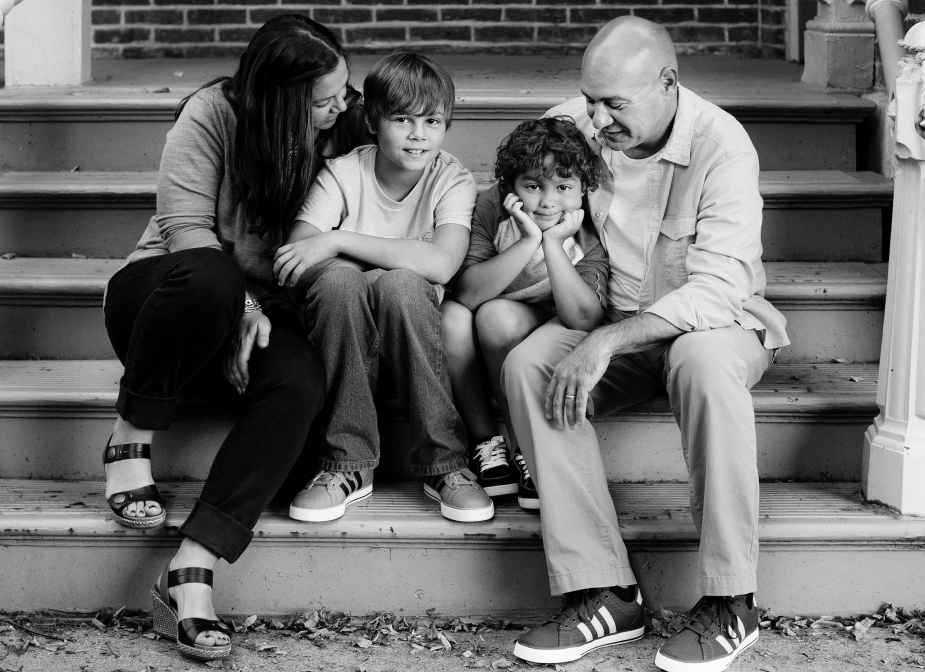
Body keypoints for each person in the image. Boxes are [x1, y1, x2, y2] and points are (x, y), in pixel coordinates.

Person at [502, 17, 789, 672]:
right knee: (528, 366)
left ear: (667, 82)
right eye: (590, 100)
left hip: (713, 325)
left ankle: (731, 601)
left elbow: (720, 290)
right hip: (612, 317)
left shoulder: (722, 146)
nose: (596, 119)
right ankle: (603, 592)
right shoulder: (572, 128)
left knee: (703, 363)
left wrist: (607, 340)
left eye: (614, 104)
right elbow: (518, 209)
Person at [101, 15, 370, 661]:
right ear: (279, 103)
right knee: (213, 277)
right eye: (323, 100)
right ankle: (131, 435)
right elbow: (185, 228)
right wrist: (242, 305)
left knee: (299, 385)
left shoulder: (346, 125)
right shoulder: (212, 114)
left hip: (265, 319)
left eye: (343, 91)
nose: (340, 107)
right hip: (167, 304)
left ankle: (191, 568)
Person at [272, 53, 495, 524]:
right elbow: (297, 257)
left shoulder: (451, 179)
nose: (418, 134)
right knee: (339, 282)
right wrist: (359, 265)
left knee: (400, 286)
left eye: (432, 121)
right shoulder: (343, 173)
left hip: (414, 337)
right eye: (402, 119)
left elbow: (442, 262)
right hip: (342, 337)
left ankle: (445, 463)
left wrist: (338, 240)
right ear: (373, 122)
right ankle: (346, 465)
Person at [443, 117, 608, 511]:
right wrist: (528, 239)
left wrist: (552, 243)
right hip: (490, 313)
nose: (548, 202)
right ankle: (487, 444)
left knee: (496, 316)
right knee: (457, 316)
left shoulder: (588, 225)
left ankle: (526, 451)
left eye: (564, 187)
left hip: (549, 320)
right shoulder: (492, 208)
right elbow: (466, 293)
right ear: (510, 187)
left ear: (584, 189)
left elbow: (583, 318)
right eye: (533, 186)